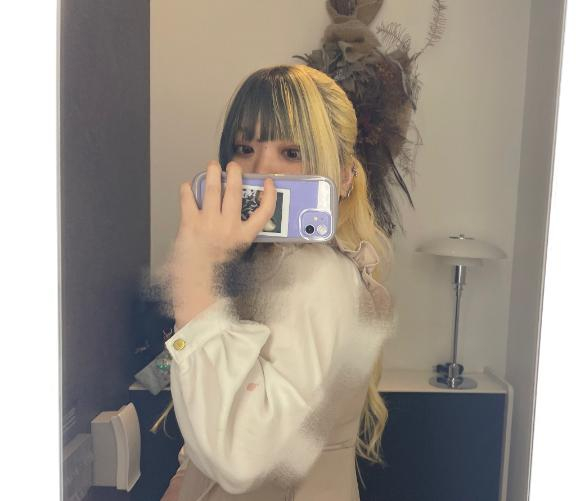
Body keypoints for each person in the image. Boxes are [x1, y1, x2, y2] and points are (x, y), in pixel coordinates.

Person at [158, 64, 397, 501]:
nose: (261, 171)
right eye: (244, 148)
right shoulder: (273, 265)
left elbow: (241, 461)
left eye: (291, 152)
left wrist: (193, 285)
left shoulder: (314, 274)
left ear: (344, 176)